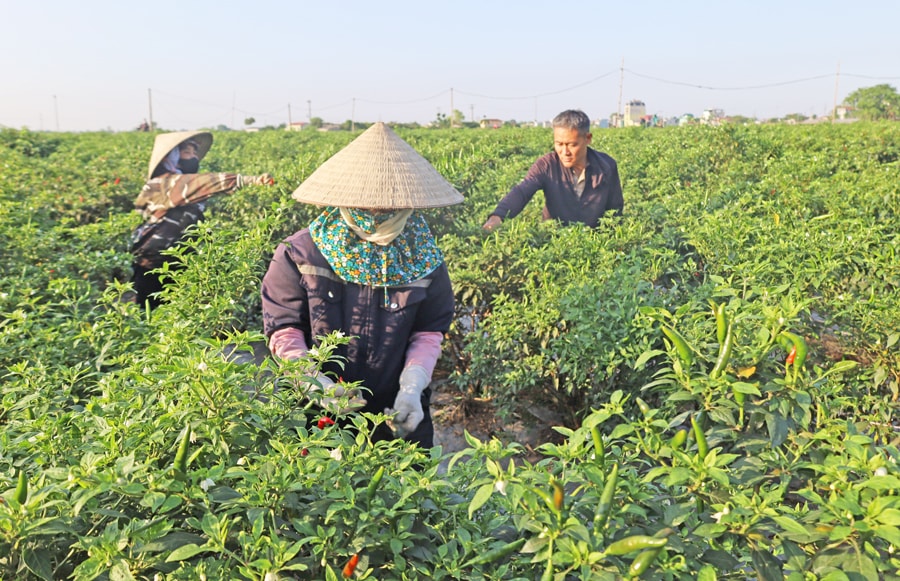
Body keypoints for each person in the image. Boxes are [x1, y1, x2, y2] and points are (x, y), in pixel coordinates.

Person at [260, 122, 463, 448]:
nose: (378, 213)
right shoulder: (301, 253)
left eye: (388, 206)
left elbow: (428, 331)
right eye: (368, 204)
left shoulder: (423, 257)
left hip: (393, 404)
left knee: (404, 489)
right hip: (317, 407)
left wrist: (412, 384)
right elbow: (283, 328)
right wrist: (313, 382)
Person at [130, 130, 274, 308]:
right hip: (153, 263)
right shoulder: (162, 183)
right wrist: (249, 180)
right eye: (186, 153)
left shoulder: (181, 184)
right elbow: (204, 182)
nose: (192, 158)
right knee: (151, 313)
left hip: (179, 260)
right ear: (172, 157)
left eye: (194, 154)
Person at [482, 109, 623, 231]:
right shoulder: (547, 165)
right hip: (554, 242)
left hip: (593, 245)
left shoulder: (606, 166)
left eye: (572, 144)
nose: (564, 151)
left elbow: (614, 210)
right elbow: (523, 190)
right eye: (559, 144)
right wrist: (497, 216)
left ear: (588, 138)